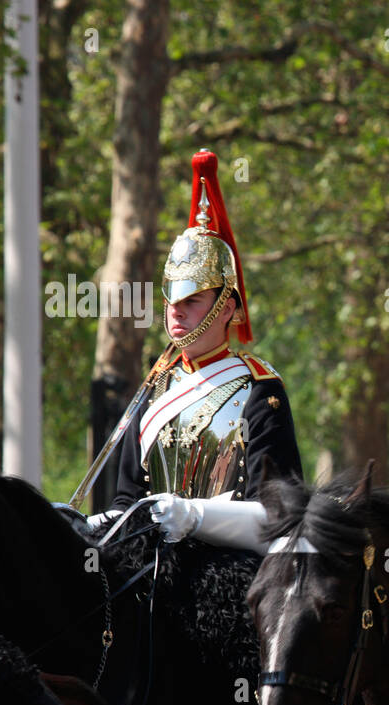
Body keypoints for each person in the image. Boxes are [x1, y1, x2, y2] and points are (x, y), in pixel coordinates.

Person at [90, 149, 303, 547]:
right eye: (173, 300)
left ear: (227, 308)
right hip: (149, 569)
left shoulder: (260, 391)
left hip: (230, 570)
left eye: (192, 301)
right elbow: (127, 499)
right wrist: (95, 524)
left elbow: (281, 515)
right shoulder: (154, 389)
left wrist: (196, 516)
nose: (176, 312)